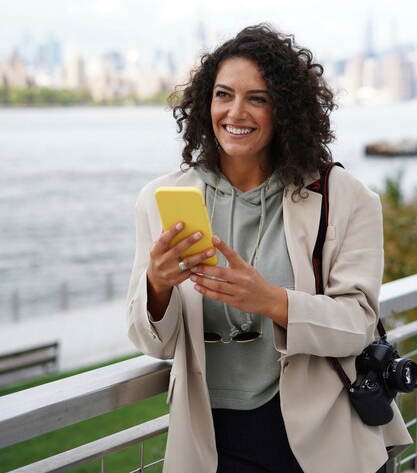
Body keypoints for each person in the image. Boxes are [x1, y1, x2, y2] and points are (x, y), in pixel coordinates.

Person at [127, 24, 411, 473]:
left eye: (257, 98)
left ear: (286, 110)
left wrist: (271, 302)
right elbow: (152, 343)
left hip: (324, 435)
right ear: (206, 103)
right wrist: (158, 284)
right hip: (211, 440)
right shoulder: (159, 200)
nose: (236, 111)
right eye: (223, 94)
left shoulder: (345, 197)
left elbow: (358, 323)